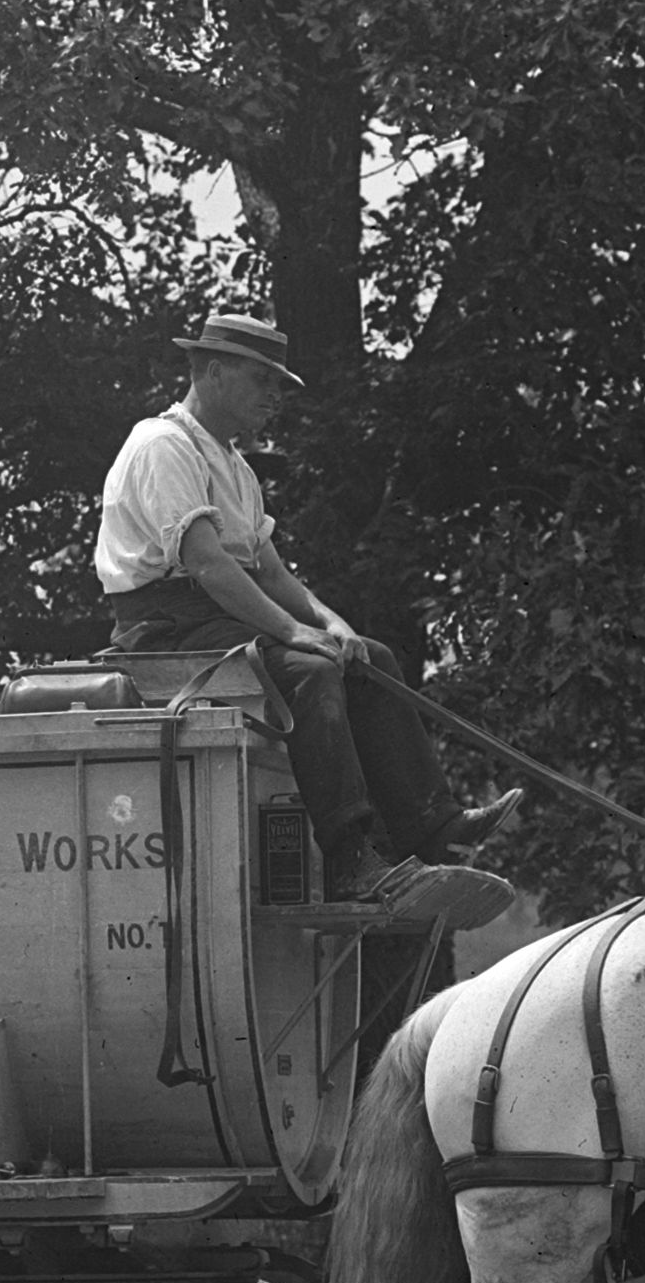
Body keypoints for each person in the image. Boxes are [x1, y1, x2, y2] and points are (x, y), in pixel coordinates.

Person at [94, 308, 507, 902]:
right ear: (212, 372)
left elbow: (269, 569)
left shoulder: (233, 464)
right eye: (262, 381)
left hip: (217, 620)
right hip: (165, 630)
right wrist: (294, 632)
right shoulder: (163, 445)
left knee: (370, 659)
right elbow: (209, 565)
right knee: (310, 673)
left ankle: (432, 828)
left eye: (278, 385)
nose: (274, 398)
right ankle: (350, 861)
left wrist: (332, 625)